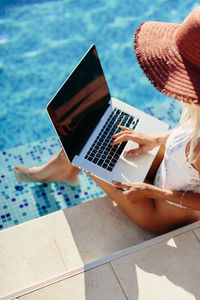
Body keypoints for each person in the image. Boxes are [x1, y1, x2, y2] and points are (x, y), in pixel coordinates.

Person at [14, 7, 200, 234]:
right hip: (168, 168)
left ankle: (60, 172)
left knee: (81, 148)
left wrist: (151, 192)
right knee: (95, 132)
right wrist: (156, 139)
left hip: (159, 210)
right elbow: (192, 133)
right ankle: (64, 172)